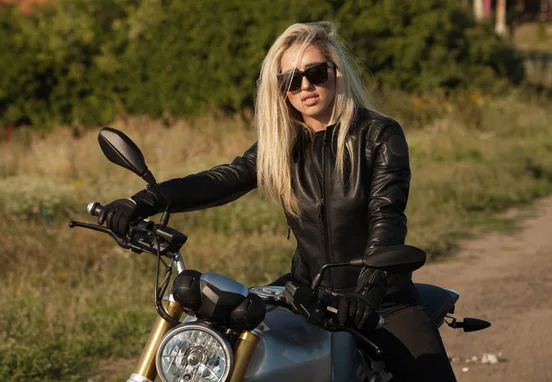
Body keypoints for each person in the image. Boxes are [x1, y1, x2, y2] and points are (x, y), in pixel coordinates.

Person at [98, 21, 457, 381]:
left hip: (380, 300)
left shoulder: (378, 135)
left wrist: (367, 294)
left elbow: (387, 218)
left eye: (316, 72)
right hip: (307, 293)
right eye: (291, 80)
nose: (305, 86)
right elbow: (222, 179)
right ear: (281, 90)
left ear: (337, 73)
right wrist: (144, 201)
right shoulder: (281, 146)